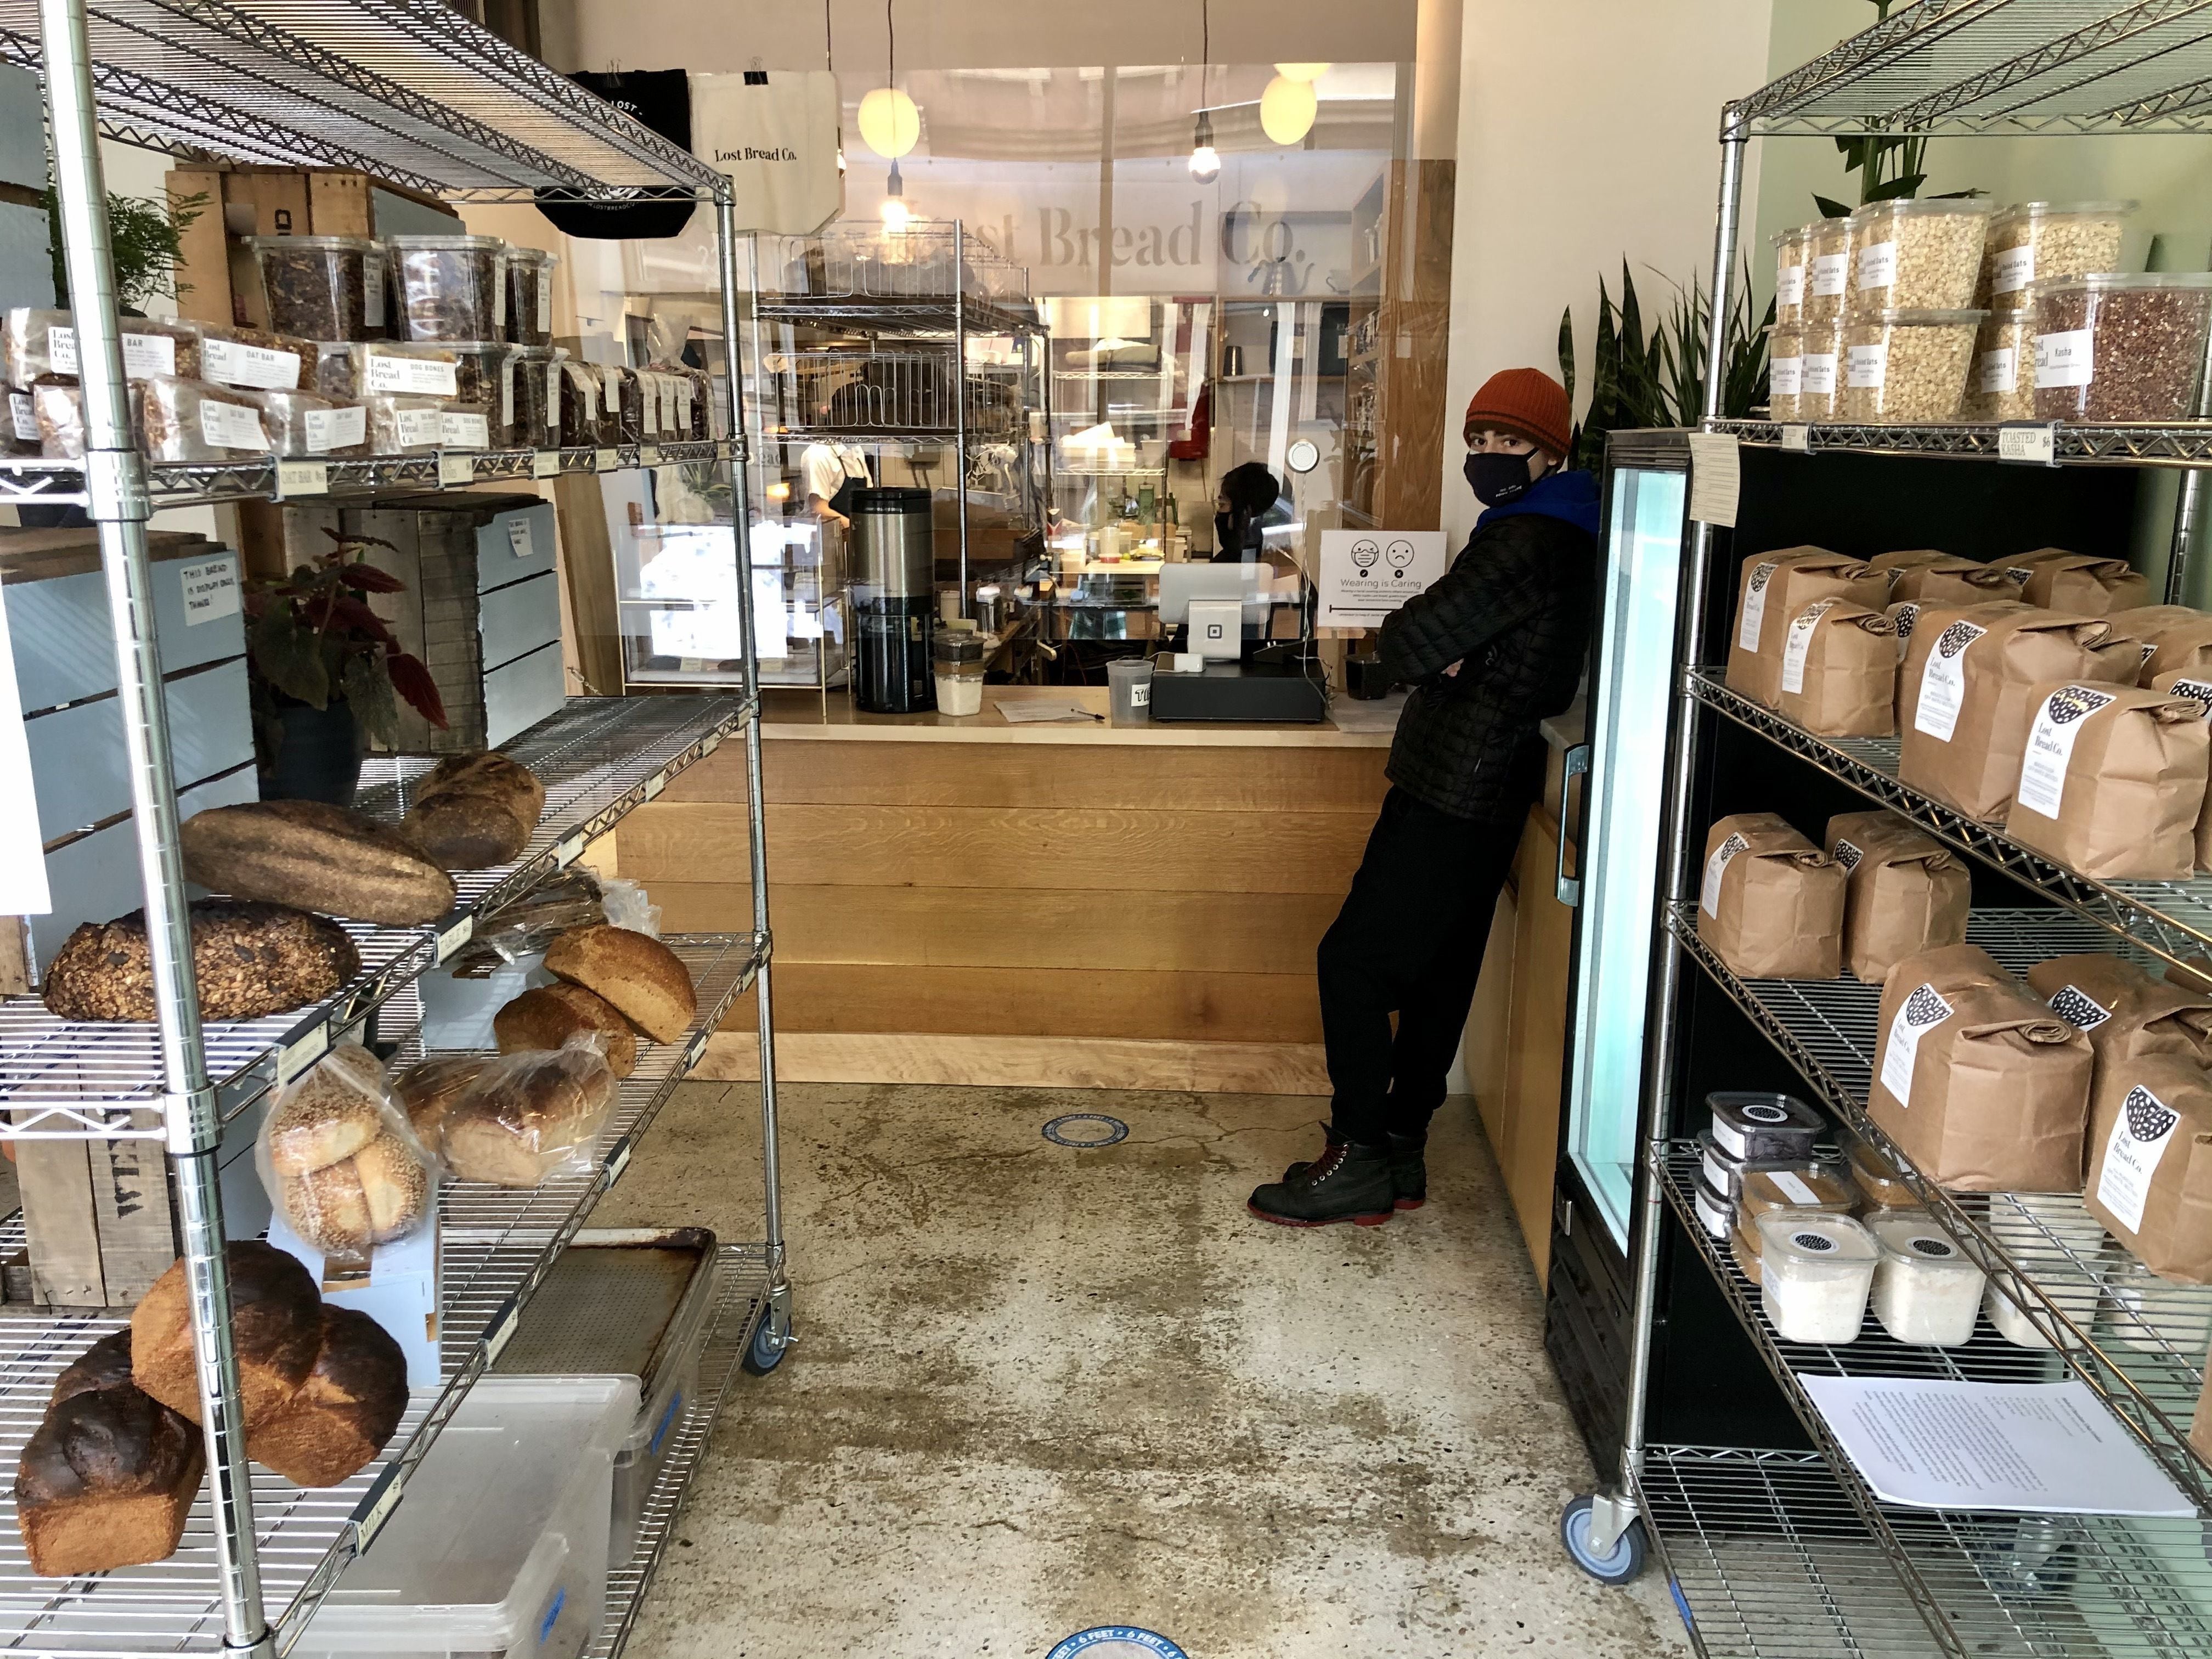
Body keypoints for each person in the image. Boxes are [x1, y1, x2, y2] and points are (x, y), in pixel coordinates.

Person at [1248, 368, 1601, 1227]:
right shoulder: (1554, 529)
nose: (1488, 455)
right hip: (1486, 784)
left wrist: (1437, 650)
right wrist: (1449, 651)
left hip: (1456, 783)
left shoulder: (1528, 538)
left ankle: (1359, 1156)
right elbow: (1434, 645)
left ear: (1551, 452)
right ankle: (1402, 1147)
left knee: (1352, 964)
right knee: (1440, 976)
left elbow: (1406, 641)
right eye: (1478, 440)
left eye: (1509, 441)